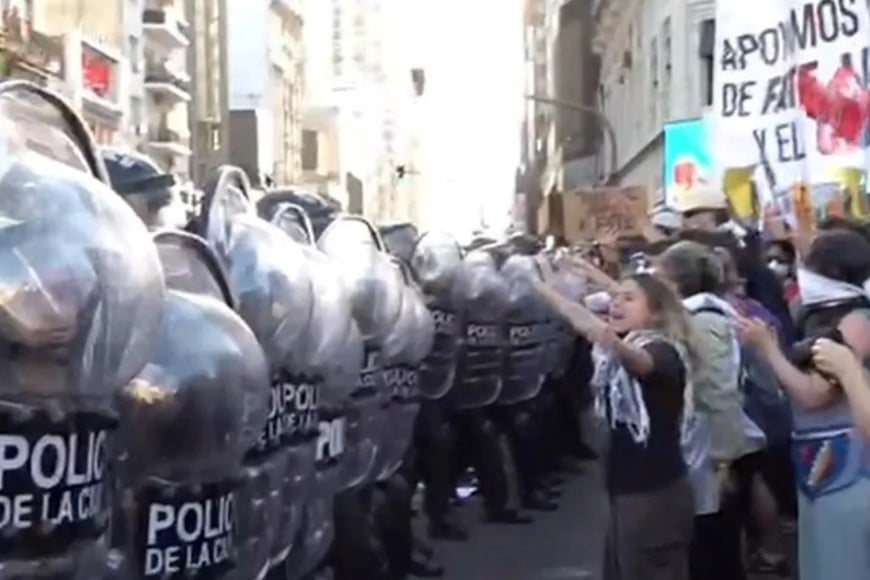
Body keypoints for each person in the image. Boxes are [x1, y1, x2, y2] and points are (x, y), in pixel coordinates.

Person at [537, 273, 695, 580]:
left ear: (656, 313)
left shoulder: (662, 352)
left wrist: (607, 339)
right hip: (628, 489)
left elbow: (642, 363)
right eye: (616, 296)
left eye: (629, 298)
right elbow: (579, 315)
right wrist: (539, 287)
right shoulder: (628, 344)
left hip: (655, 492)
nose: (617, 303)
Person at [737, 228, 870, 580]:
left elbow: (814, 395)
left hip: (847, 460)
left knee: (842, 559)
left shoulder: (856, 321)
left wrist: (767, 350)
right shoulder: (819, 313)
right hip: (819, 459)